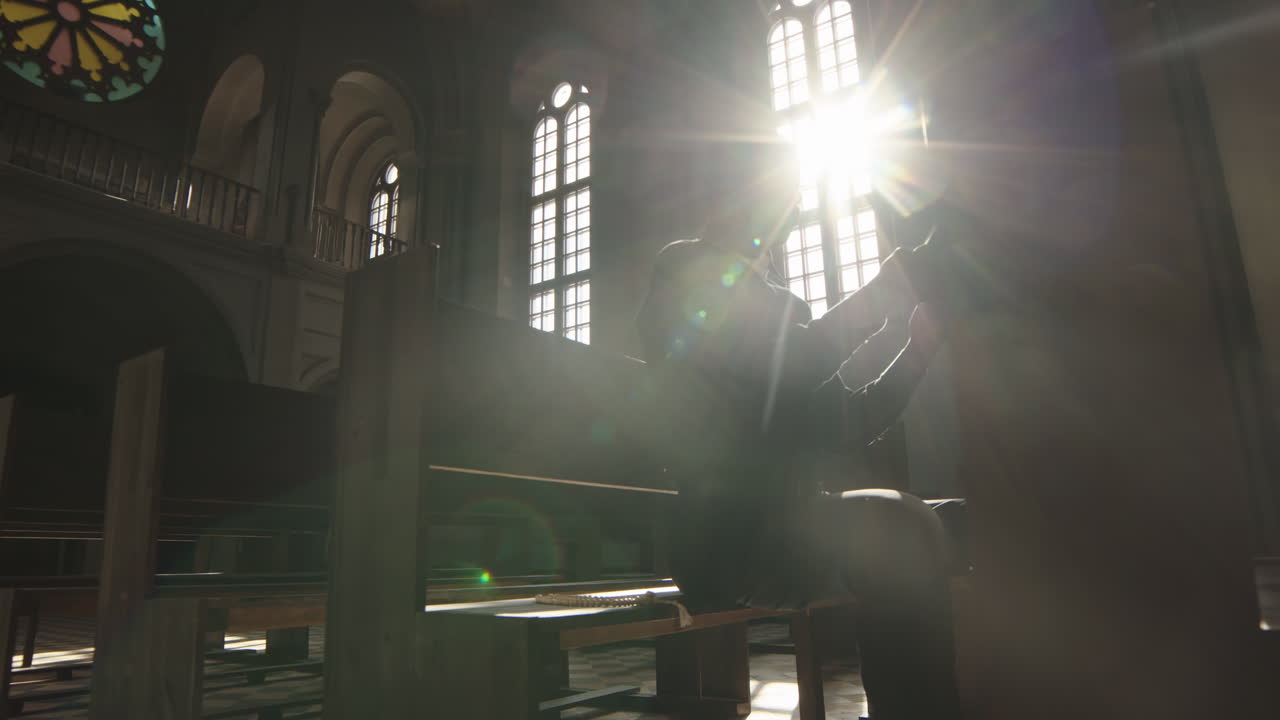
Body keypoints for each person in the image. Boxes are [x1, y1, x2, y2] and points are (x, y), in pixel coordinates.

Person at [636, 155, 963, 719]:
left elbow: (844, 424)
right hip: (727, 533)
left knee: (954, 518)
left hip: (790, 521)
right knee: (901, 528)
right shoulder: (684, 269)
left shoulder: (783, 306)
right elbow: (764, 351)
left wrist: (916, 348)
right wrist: (877, 296)